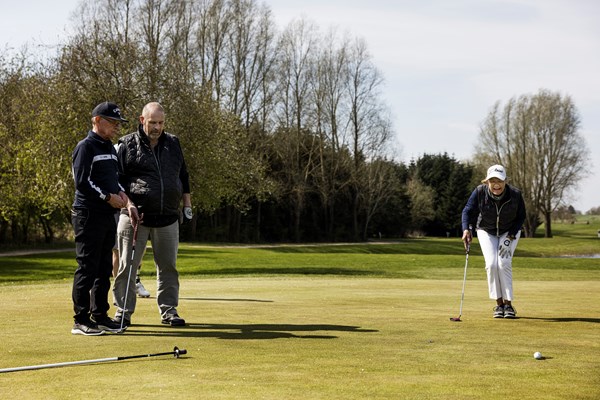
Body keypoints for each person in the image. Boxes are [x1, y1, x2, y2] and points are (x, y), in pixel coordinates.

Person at [112, 102, 192, 327]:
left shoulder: (173, 143)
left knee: (168, 267)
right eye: (152, 122)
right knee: (127, 266)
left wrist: (187, 204)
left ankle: (169, 312)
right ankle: (123, 312)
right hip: (135, 217)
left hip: (167, 217)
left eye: (161, 122)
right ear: (142, 120)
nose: (157, 127)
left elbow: (183, 176)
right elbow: (116, 180)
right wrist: (127, 204)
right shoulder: (126, 144)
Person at [71, 101, 129, 335]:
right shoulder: (85, 147)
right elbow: (82, 182)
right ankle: (81, 319)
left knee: (105, 267)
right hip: (88, 214)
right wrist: (108, 197)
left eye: (118, 123)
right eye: (112, 122)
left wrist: (122, 192)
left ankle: (100, 315)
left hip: (107, 215)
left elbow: (114, 178)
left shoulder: (110, 149)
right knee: (88, 267)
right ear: (97, 121)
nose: (116, 127)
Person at [461, 165, 526, 319]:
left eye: (499, 181)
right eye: (492, 181)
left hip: (509, 231)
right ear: (487, 182)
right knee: (491, 264)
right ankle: (499, 305)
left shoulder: (515, 194)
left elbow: (521, 217)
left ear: (505, 181)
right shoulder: (479, 192)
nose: (496, 184)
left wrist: (510, 237)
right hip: (485, 230)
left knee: (503, 263)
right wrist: (466, 229)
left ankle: (508, 305)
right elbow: (467, 211)